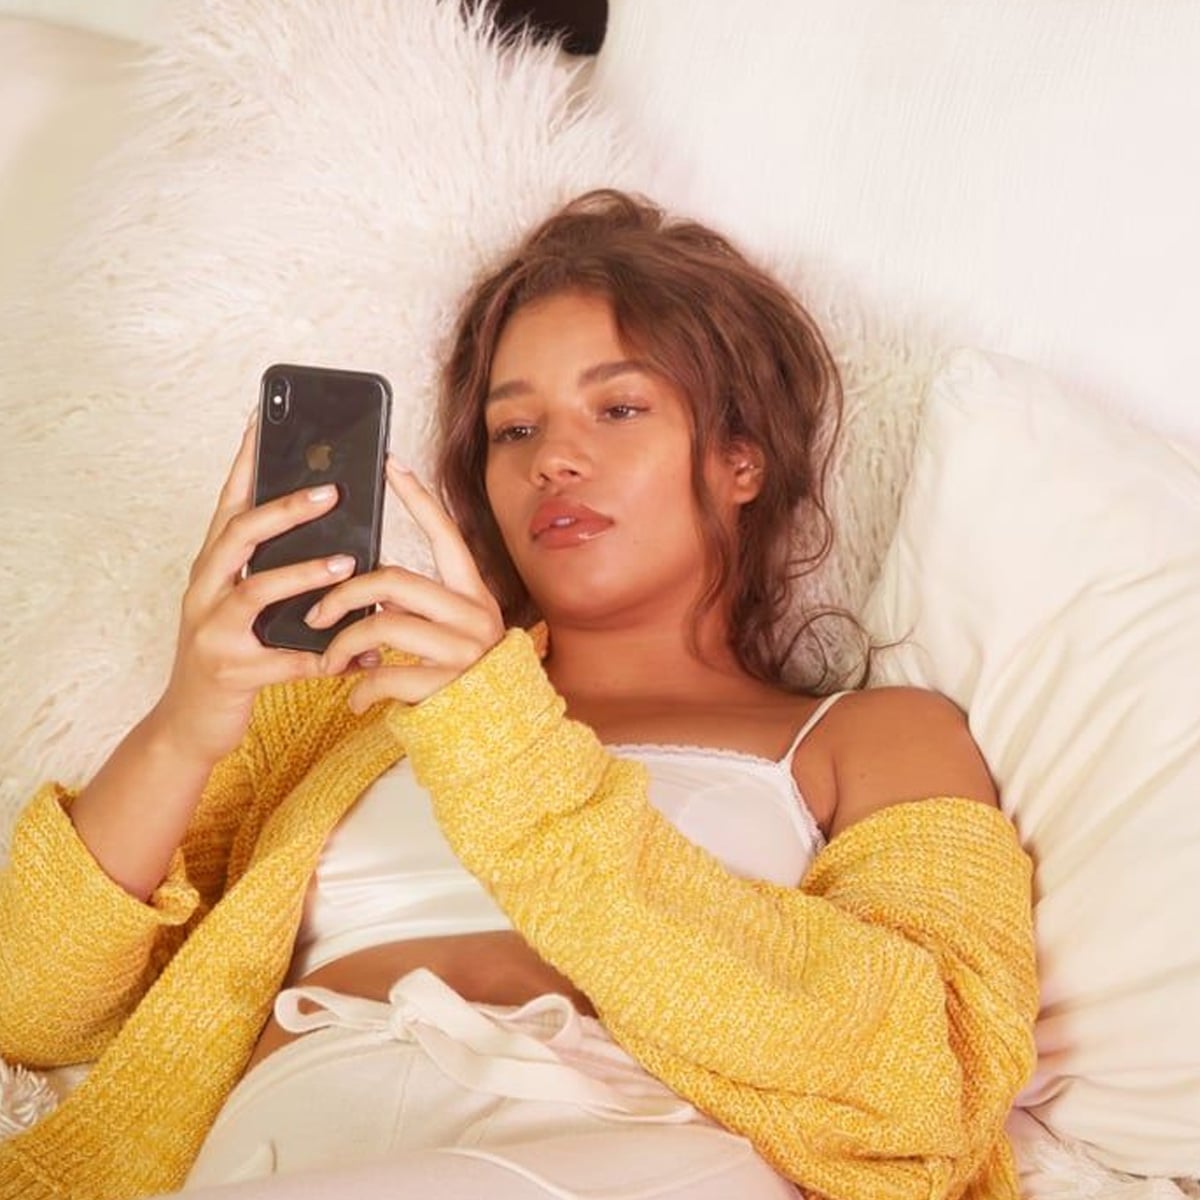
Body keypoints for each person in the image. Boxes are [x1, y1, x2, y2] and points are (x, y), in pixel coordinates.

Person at [0, 190, 1037, 1200]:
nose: (555, 461)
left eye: (618, 407)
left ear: (739, 460)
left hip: (627, 1136)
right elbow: (35, 1010)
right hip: (300, 1135)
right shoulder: (347, 702)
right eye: (513, 431)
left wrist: (501, 740)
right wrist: (185, 722)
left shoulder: (875, 736)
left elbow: (925, 1090)